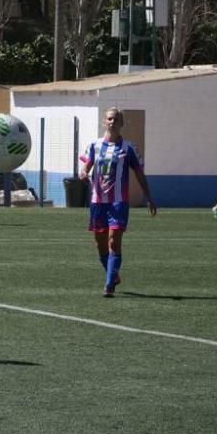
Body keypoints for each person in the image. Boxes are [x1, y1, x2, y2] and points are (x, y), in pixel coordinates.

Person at [78, 107, 157, 298]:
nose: (112, 122)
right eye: (110, 119)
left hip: (118, 203)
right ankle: (113, 275)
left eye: (116, 119)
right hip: (98, 202)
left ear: (121, 123)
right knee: (100, 243)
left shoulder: (128, 148)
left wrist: (149, 197)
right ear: (104, 122)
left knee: (114, 241)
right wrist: (82, 173)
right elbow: (86, 166)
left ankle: (109, 285)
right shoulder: (94, 146)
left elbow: (139, 173)